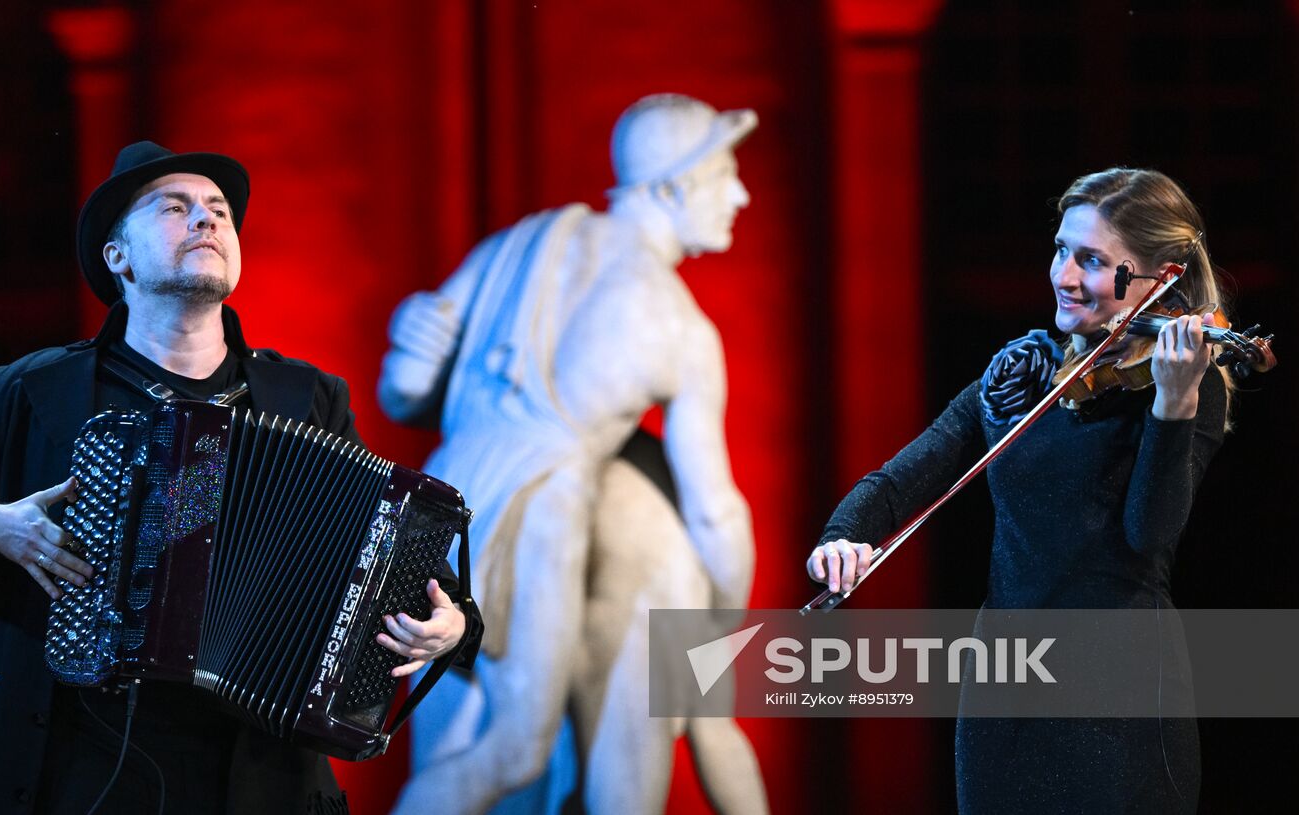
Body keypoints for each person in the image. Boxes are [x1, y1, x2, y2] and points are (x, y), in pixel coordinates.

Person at [0, 141, 480, 814]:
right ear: (118, 258)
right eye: (175, 208)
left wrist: (452, 625)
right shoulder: (37, 391)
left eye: (220, 212)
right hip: (81, 773)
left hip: (266, 777)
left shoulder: (308, 396)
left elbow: (406, 558)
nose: (206, 221)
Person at [378, 94, 768, 814]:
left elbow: (403, 388)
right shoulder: (679, 326)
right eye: (724, 174)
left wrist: (412, 330)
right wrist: (724, 616)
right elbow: (715, 510)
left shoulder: (526, 241)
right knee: (514, 747)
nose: (740, 195)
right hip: (541, 508)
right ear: (674, 185)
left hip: (441, 494)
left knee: (456, 736)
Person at [807, 167, 1227, 812]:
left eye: (1092, 260)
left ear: (1158, 275)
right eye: (1061, 249)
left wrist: (1174, 408)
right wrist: (843, 537)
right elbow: (900, 479)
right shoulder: (1021, 372)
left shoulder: (1181, 383)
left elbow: (1150, 535)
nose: (1063, 276)